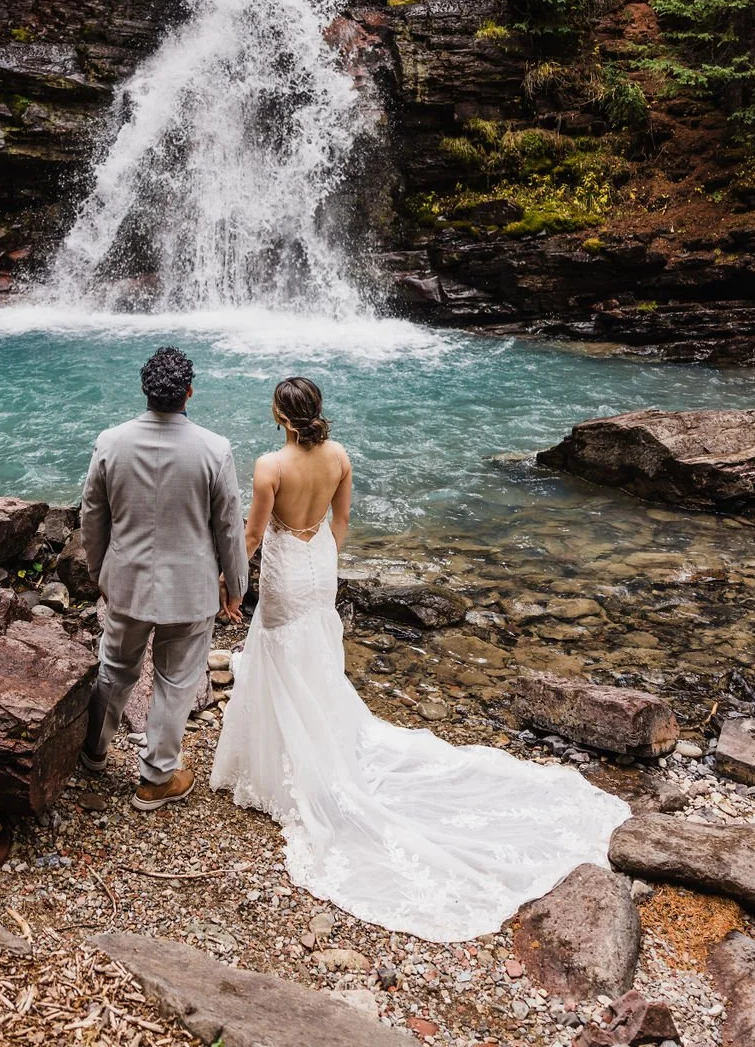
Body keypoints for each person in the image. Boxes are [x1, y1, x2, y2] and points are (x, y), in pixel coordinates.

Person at [211, 376, 629, 942]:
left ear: (280, 415)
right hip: (318, 566)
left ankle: (282, 758)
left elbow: (255, 534)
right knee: (312, 646)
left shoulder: (268, 467)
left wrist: (228, 582)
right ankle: (313, 740)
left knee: (280, 648)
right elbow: (341, 524)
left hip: (286, 571)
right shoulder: (339, 456)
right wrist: (324, 558)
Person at [80, 346, 247, 810]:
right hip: (191, 589)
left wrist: (99, 572)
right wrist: (237, 585)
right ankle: (156, 778)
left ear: (145, 391)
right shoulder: (215, 449)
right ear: (189, 392)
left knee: (115, 669)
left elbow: (92, 516)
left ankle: (93, 752)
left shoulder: (110, 442)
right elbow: (229, 526)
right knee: (176, 681)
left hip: (127, 583)